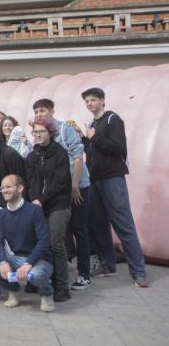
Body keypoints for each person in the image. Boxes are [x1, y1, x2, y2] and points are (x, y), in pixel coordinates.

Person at [79, 87, 147, 287]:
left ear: (102, 100)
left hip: (112, 178)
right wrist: (84, 139)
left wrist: (94, 138)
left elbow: (119, 148)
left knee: (123, 223)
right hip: (95, 178)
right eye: (87, 101)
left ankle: (139, 273)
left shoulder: (112, 119)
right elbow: (94, 151)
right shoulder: (93, 124)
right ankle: (108, 265)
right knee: (99, 225)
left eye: (93, 100)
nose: (89, 103)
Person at [32, 98, 92, 290]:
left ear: (52, 111)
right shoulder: (39, 133)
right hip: (56, 191)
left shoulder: (65, 130)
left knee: (79, 229)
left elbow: (77, 156)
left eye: (42, 110)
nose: (39, 114)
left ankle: (84, 274)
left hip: (77, 186)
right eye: (36, 111)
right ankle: (60, 269)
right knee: (60, 232)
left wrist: (74, 185)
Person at [0, 174, 56, 312]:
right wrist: (2, 262)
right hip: (16, 258)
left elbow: (44, 241)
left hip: (39, 260)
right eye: (2, 188)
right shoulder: (1, 214)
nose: (4, 190)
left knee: (36, 274)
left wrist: (28, 263)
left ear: (20, 188)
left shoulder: (35, 210)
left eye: (8, 187)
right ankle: (13, 291)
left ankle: (47, 294)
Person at [26, 117, 72, 302]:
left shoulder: (60, 153)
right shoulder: (32, 155)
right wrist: (34, 199)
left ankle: (62, 287)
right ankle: (40, 279)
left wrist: (41, 200)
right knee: (38, 242)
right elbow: (31, 182)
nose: (38, 135)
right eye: (35, 132)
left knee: (55, 243)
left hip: (59, 203)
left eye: (41, 131)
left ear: (50, 133)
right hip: (39, 204)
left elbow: (60, 182)